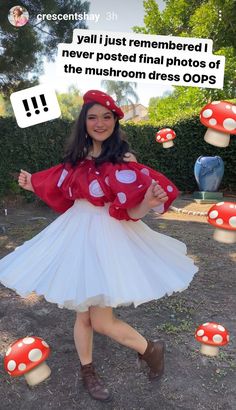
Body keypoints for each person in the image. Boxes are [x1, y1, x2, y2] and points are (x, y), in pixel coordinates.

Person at [0, 90, 198, 402]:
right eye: (92, 117)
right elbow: (55, 182)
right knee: (83, 314)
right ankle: (88, 370)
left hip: (109, 236)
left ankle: (151, 350)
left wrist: (147, 202)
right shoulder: (75, 160)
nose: (99, 122)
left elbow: (130, 212)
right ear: (84, 122)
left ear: (116, 121)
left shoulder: (123, 160)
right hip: (76, 236)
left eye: (106, 116)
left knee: (101, 320)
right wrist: (32, 181)